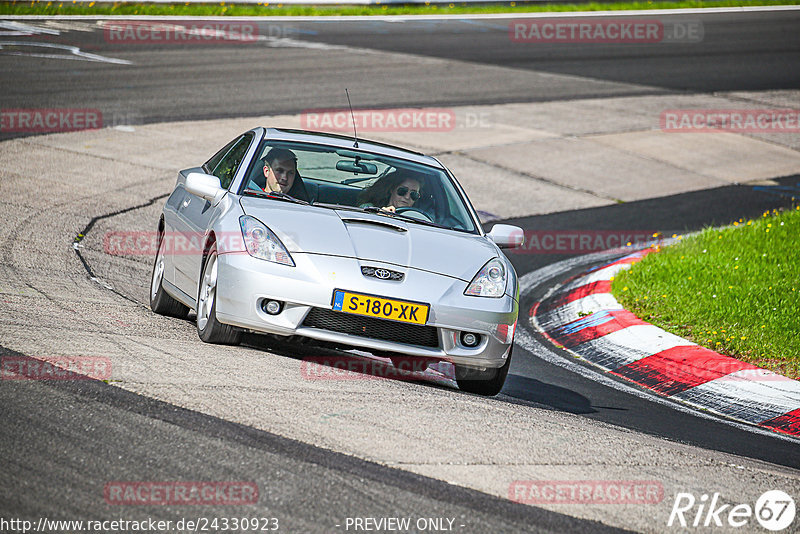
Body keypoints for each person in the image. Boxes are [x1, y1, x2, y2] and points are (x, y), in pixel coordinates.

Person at [358, 171, 423, 213]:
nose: (407, 197)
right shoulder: (369, 208)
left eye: (413, 194)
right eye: (402, 191)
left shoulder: (420, 219)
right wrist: (379, 214)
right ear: (392, 189)